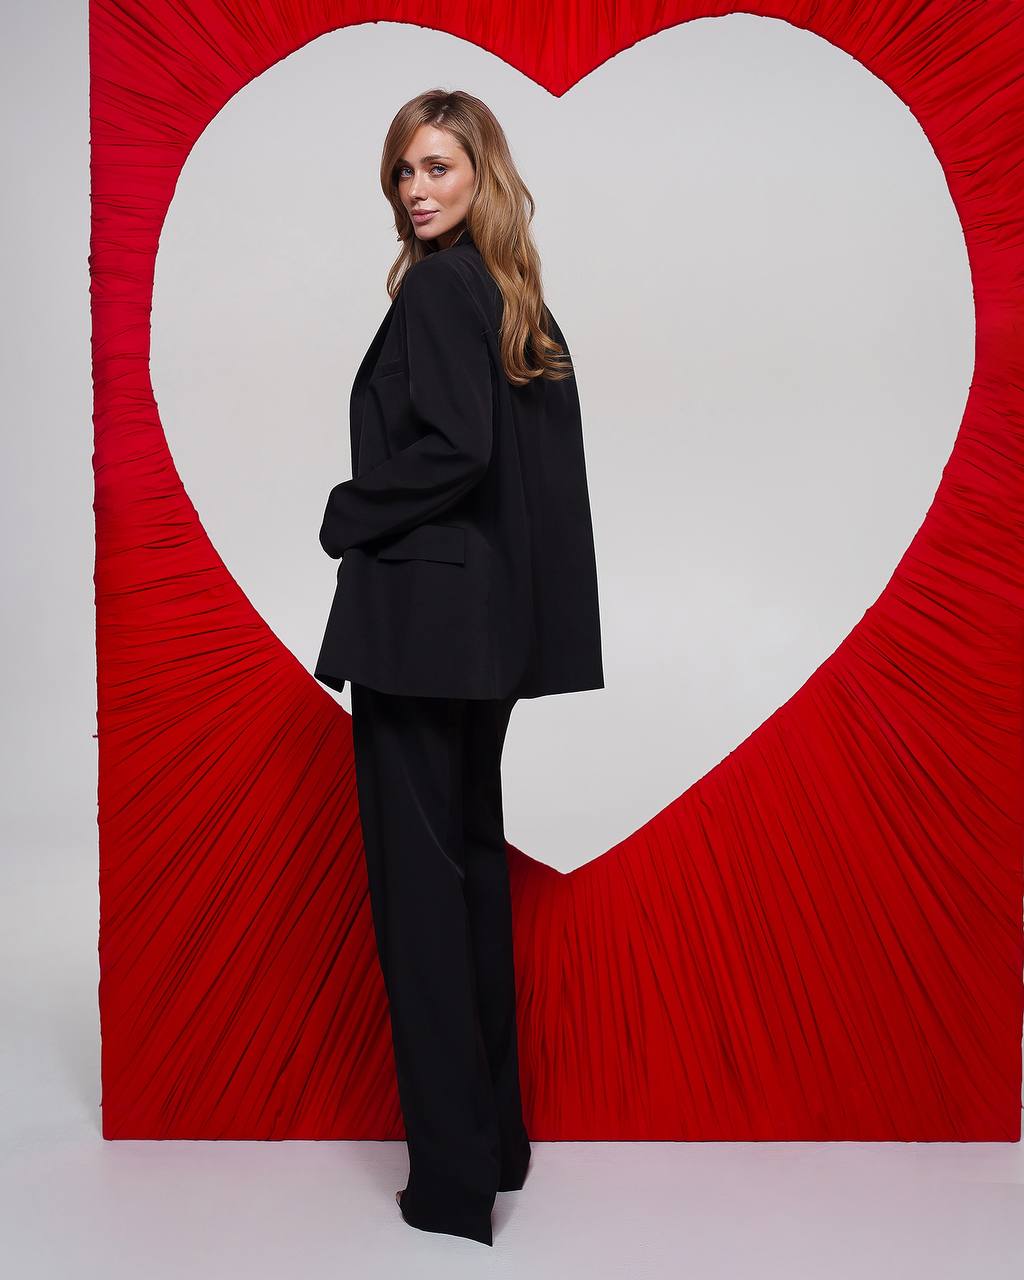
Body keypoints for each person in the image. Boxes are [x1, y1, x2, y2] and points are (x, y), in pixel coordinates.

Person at [314, 88, 604, 1247]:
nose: (416, 190)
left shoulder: (439, 289)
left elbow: (458, 449)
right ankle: (495, 1143)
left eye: (435, 167)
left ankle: (449, 1181)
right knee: (470, 883)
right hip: (478, 643)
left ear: (479, 171)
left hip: (419, 635)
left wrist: (346, 509)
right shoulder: (510, 296)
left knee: (421, 907)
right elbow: (526, 488)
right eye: (401, 172)